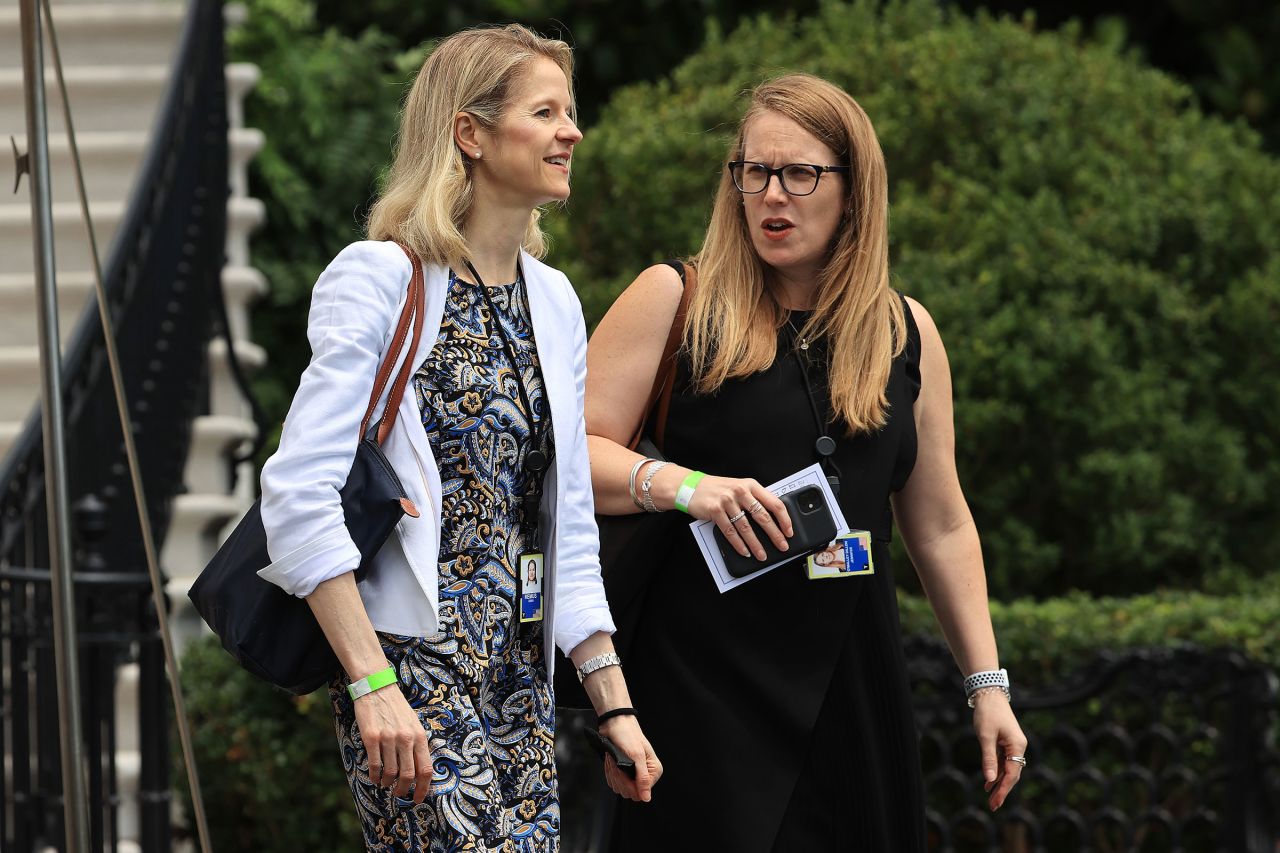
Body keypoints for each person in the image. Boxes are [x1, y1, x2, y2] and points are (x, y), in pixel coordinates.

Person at [585, 73, 1026, 851]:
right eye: (754, 172)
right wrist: (688, 489)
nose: (771, 196)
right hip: (699, 681)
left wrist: (986, 683)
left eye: (799, 174)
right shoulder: (674, 298)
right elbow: (571, 460)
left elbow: (941, 522)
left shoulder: (904, 331)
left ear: (854, 190)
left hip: (853, 679)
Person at [257, 25, 660, 851]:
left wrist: (611, 698)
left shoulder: (553, 301)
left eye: (571, 112)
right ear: (469, 134)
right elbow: (297, 496)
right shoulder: (379, 278)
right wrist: (372, 684)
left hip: (520, 681)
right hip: (411, 672)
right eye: (546, 112)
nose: (571, 132)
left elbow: (567, 523)